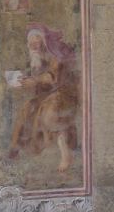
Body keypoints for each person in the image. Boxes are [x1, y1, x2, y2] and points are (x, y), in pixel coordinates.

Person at [6, 25, 78, 173]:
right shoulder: (37, 57)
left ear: (45, 40)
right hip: (48, 95)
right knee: (28, 108)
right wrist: (24, 81)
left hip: (65, 94)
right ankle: (14, 151)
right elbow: (38, 79)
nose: (33, 44)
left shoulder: (56, 53)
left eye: (36, 39)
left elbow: (52, 77)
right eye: (30, 41)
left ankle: (66, 154)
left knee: (51, 110)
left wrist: (34, 80)